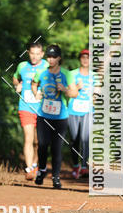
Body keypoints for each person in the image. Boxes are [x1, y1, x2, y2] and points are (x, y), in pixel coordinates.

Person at [31, 44, 78, 189]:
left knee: (56, 148)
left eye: (54, 57)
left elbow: (74, 93)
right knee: (42, 145)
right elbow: (34, 83)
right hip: (43, 115)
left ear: (59, 58)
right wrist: (36, 93)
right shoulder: (42, 72)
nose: (51, 60)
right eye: (49, 57)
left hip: (60, 117)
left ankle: (56, 178)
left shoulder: (66, 74)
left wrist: (64, 89)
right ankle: (42, 170)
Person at [12, 41, 47, 180]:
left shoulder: (47, 65)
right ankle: (29, 168)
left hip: (43, 108)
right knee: (28, 138)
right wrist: (18, 84)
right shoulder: (22, 66)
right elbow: (15, 77)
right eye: (32, 53)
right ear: (28, 53)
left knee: (40, 141)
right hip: (26, 106)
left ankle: (34, 164)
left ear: (42, 54)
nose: (34, 57)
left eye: (37, 54)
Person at [67, 49, 98, 179]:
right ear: (80, 59)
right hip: (73, 109)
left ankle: (84, 167)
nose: (86, 60)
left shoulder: (95, 76)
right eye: (83, 57)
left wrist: (96, 97)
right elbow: (67, 91)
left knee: (85, 138)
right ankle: (75, 165)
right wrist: (76, 88)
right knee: (74, 138)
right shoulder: (71, 74)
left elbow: (97, 93)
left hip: (88, 109)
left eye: (88, 57)